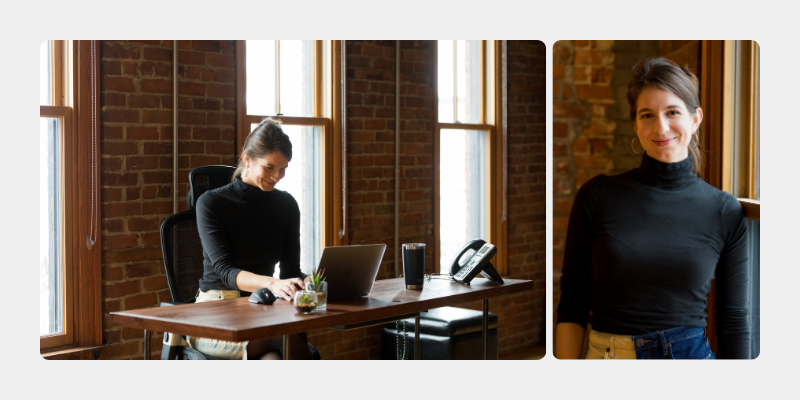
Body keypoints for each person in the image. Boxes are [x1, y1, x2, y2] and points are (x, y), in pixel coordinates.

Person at [555, 57, 750, 359]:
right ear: (635, 124)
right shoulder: (597, 195)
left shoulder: (724, 210)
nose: (661, 127)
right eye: (647, 115)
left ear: (695, 119)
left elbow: (733, 318)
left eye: (672, 112)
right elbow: (573, 302)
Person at [189, 117, 311, 360]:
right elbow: (225, 271)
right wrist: (272, 284)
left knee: (274, 359)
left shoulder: (286, 205)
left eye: (283, 168)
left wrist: (313, 282)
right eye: (269, 167)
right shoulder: (211, 203)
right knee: (288, 339)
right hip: (215, 310)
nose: (277, 176)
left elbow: (289, 271)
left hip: (261, 306)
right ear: (247, 159)